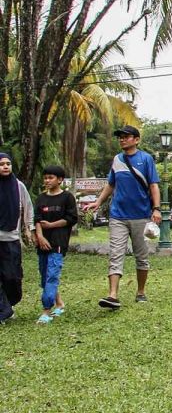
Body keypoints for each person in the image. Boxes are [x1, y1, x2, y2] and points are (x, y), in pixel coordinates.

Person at [82, 125, 162, 309]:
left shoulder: (146, 159)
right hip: (118, 216)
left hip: (141, 216)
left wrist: (156, 209)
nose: (122, 139)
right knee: (115, 254)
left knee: (141, 256)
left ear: (136, 139)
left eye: (126, 137)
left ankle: (141, 292)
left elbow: (154, 186)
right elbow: (111, 185)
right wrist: (98, 201)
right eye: (120, 137)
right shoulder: (117, 160)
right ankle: (112, 295)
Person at [33, 164, 77, 324]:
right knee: (45, 276)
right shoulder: (41, 198)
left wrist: (51, 225)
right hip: (42, 243)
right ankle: (59, 303)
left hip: (58, 242)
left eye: (50, 178)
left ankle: (46, 311)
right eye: (45, 178)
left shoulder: (67, 197)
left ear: (60, 180)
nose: (47, 180)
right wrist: (39, 236)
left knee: (52, 275)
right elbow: (37, 219)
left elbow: (71, 218)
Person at [0, 152, 34, 325]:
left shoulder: (18, 185)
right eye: (2, 164)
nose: (5, 166)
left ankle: (9, 304)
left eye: (8, 163)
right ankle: (3, 311)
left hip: (12, 238)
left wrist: (29, 228)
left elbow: (27, 206)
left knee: (12, 277)